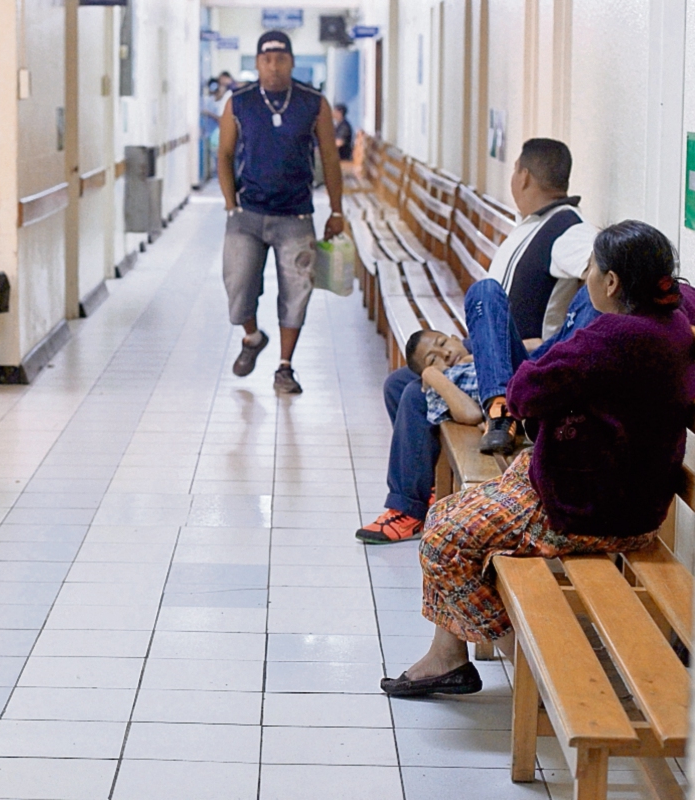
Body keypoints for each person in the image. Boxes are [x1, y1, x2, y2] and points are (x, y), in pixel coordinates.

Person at [380, 221, 695, 696]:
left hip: (587, 509)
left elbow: (523, 392)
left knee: (442, 540)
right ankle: (447, 657)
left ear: (611, 284)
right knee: (447, 511)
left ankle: (547, 669)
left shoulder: (612, 338)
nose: (585, 281)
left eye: (591, 269)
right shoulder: (670, 318)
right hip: (611, 489)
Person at [357, 138, 595, 543]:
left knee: (418, 396)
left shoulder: (568, 229)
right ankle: (427, 485)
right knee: (400, 383)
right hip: (492, 354)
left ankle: (406, 508)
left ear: (522, 176)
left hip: (524, 367)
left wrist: (555, 340)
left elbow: (601, 270)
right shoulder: (534, 223)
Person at [218, 30, 345, 393]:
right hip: (248, 214)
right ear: (257, 63)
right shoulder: (239, 102)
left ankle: (285, 367)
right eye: (266, 59)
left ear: (291, 61)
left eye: (281, 59)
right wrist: (230, 204)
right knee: (238, 286)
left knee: (297, 291)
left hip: (296, 216)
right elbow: (224, 155)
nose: (273, 66)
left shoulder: (312, 102)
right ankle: (253, 336)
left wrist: (337, 211)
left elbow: (330, 158)